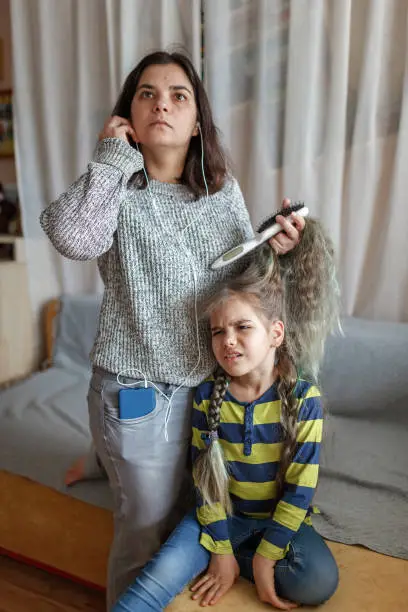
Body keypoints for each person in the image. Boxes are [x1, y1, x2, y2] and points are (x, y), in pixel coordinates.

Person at [39, 50, 305, 608]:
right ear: (128, 117)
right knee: (145, 537)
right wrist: (110, 158)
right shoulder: (115, 187)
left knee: (189, 509)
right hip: (141, 389)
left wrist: (274, 247)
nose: (163, 103)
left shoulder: (220, 191)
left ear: (197, 121)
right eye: (147, 94)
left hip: (205, 390)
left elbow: (241, 281)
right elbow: (72, 239)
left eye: (178, 95)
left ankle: (101, 455)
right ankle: (109, 452)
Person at [113, 224, 340, 611]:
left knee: (316, 581)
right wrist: (219, 547)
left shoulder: (305, 399)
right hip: (221, 517)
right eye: (218, 332)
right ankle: (226, 556)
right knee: (157, 578)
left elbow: (300, 490)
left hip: (275, 518)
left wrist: (268, 555)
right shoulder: (207, 397)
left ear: (276, 333)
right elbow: (206, 482)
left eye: (242, 327)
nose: (228, 340)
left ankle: (248, 558)